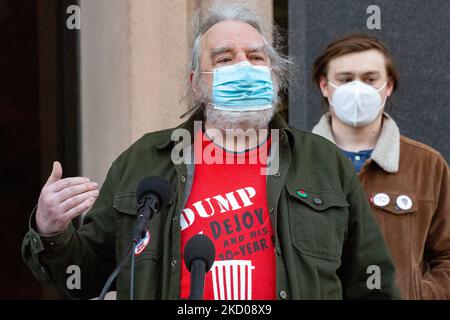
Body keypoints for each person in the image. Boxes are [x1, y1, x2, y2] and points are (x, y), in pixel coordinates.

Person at [22, 6, 400, 300]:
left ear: (274, 74)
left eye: (256, 57)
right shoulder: (144, 161)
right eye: (224, 59)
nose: (244, 67)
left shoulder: (323, 161)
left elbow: (372, 283)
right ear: (195, 83)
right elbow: (87, 275)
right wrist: (50, 231)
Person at [311, 33, 450, 299]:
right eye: (345, 79)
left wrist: (420, 294)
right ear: (324, 86)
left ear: (388, 86)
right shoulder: (294, 162)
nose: (357, 88)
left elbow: (446, 254)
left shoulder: (427, 165)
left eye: (370, 79)